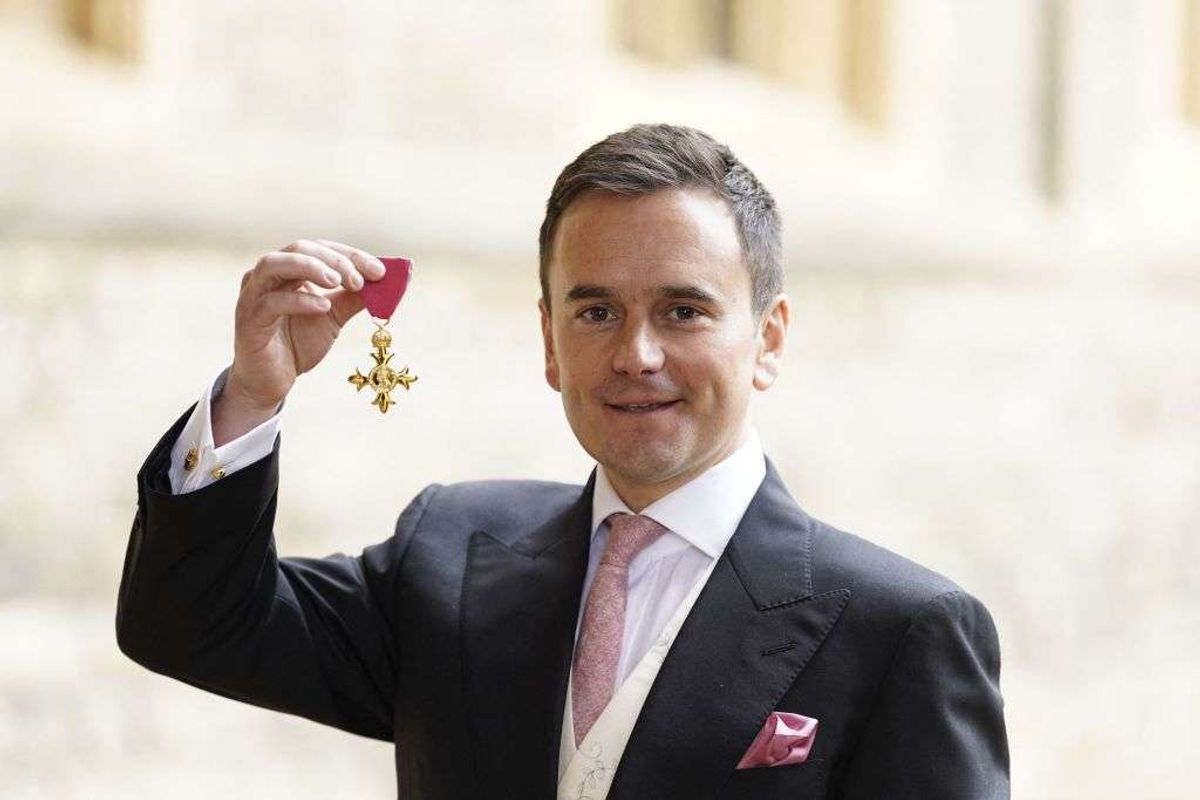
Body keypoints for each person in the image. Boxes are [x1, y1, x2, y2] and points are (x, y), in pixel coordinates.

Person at [116, 123, 1009, 799]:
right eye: (596, 313)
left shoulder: (903, 631)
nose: (636, 355)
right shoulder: (453, 553)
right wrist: (254, 394)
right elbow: (189, 626)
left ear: (767, 339)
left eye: (684, 311)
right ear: (549, 341)